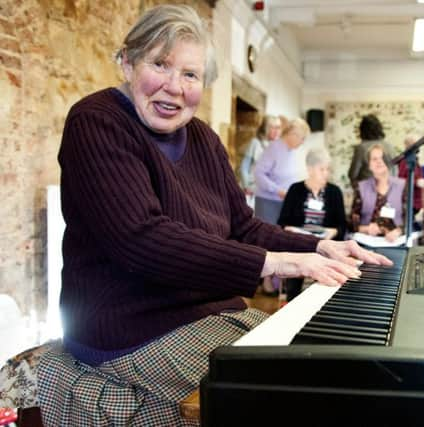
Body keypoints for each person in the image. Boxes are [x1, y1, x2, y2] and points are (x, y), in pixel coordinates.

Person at [37, 6, 392, 426]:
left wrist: (318, 246)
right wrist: (276, 262)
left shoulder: (202, 137)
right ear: (127, 62)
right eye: (160, 64)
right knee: (289, 396)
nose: (173, 87)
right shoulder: (97, 122)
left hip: (209, 311)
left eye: (190, 75)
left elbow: (242, 227)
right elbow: (140, 238)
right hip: (131, 327)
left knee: (324, 368)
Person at [277, 149, 347, 301]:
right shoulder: (295, 190)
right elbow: (282, 223)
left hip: (324, 244)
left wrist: (333, 232)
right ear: (309, 169)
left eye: (328, 169)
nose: (326, 173)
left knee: (323, 291)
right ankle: (292, 303)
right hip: (299, 244)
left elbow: (342, 226)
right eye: (321, 169)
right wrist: (289, 229)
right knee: (294, 288)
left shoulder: (334, 192)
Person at [253, 118, 310, 225]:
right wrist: (278, 191)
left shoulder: (294, 150)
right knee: (267, 238)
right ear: (293, 134)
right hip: (268, 202)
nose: (302, 142)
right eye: (302, 138)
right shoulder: (274, 148)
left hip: (285, 202)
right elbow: (258, 174)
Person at [351, 144, 406, 242]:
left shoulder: (402, 185)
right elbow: (352, 222)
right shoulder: (361, 187)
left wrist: (398, 231)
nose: (379, 162)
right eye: (374, 159)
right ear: (369, 165)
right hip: (368, 242)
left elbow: (409, 220)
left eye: (382, 158)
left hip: (395, 243)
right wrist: (366, 229)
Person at [347, 114, 395, 188]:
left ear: (362, 130)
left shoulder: (361, 148)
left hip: (367, 190)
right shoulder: (389, 146)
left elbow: (352, 174)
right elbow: (395, 172)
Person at [239, 115, 282, 197]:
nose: (276, 131)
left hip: (266, 192)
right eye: (273, 127)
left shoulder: (278, 147)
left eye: (278, 128)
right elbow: (244, 167)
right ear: (266, 129)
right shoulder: (255, 143)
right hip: (250, 190)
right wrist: (246, 186)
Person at [396, 135, 424, 227]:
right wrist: (416, 182)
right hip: (409, 203)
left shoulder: (415, 161)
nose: (417, 146)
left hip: (416, 203)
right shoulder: (404, 162)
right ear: (407, 145)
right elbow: (401, 182)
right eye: (414, 144)